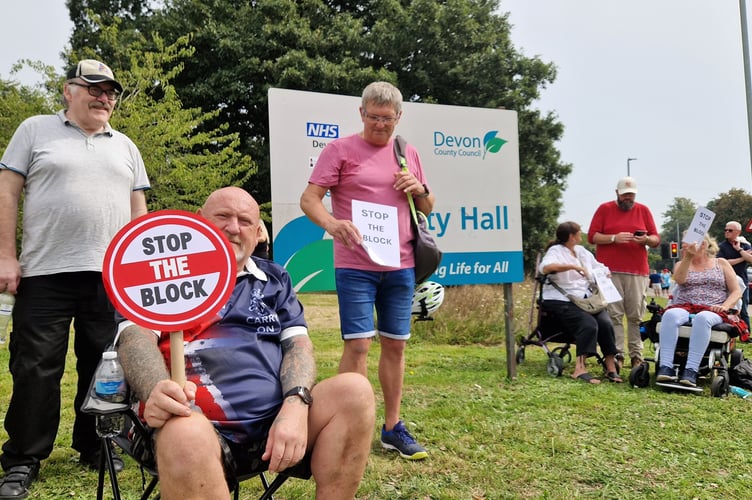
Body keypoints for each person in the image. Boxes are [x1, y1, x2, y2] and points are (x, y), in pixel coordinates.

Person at [116, 187, 375, 499]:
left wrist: (295, 403)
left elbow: (299, 347)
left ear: (257, 233)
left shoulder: (275, 280)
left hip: (274, 426)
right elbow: (134, 338)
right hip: (188, 425)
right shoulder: (164, 274)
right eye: (222, 217)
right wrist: (154, 387)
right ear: (198, 222)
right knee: (186, 432)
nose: (233, 227)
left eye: (244, 221)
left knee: (354, 391)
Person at [0, 59, 150, 498]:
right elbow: (7, 192)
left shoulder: (126, 145)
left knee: (104, 367)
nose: (104, 97)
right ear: (69, 91)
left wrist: (138, 271)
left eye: (111, 92)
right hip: (44, 271)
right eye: (95, 88)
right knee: (34, 368)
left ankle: (97, 446)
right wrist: (6, 255)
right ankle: (23, 459)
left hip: (110, 276)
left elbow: (139, 211)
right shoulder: (34, 130)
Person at [299, 81, 434, 460]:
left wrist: (419, 187)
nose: (380, 125)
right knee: (357, 345)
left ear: (399, 118)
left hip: (402, 265)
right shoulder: (339, 149)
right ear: (361, 113)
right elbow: (309, 199)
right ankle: (349, 428)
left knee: (395, 344)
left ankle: (392, 428)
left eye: (387, 119)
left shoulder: (406, 152)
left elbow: (428, 206)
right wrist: (332, 225)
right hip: (355, 264)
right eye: (374, 117)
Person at [588, 176, 660, 369]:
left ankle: (637, 355)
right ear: (617, 193)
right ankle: (617, 354)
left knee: (635, 314)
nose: (629, 198)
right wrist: (613, 238)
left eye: (632, 195)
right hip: (609, 272)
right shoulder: (605, 209)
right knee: (614, 314)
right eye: (626, 195)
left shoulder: (643, 210)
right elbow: (592, 236)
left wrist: (645, 240)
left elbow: (656, 239)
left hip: (637, 271)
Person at [539, 222, 622, 384]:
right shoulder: (555, 251)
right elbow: (545, 267)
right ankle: (579, 369)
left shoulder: (582, 252)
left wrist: (606, 272)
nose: (581, 235)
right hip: (562, 298)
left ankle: (610, 367)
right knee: (588, 324)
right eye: (579, 233)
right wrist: (572, 266)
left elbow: (599, 267)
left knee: (606, 323)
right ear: (571, 236)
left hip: (586, 298)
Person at [656, 235, 742, 386]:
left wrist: (725, 306)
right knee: (669, 315)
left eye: (686, 243)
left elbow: (736, 291)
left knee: (703, 318)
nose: (683, 246)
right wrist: (688, 257)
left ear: (703, 244)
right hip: (685, 305)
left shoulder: (720, 263)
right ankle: (665, 367)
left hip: (713, 307)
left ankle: (691, 370)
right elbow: (680, 280)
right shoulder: (682, 264)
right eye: (683, 244)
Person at [716, 221, 752, 331]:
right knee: (727, 307)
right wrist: (742, 258)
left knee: (743, 308)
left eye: (730, 230)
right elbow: (723, 262)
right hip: (725, 282)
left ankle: (746, 333)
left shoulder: (745, 245)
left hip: (742, 281)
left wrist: (739, 250)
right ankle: (727, 330)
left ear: (738, 232)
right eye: (725, 230)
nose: (727, 232)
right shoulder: (721, 246)